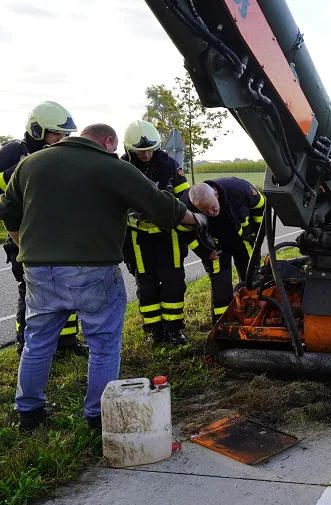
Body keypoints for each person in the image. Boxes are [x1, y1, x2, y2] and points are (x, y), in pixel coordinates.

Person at [0, 123, 205, 432]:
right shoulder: (111, 166)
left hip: (39, 269)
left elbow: (9, 211)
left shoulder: (31, 163)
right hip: (93, 269)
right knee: (104, 344)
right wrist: (197, 219)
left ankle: (29, 413)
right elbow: (161, 205)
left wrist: (24, 246)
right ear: (109, 142)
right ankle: (97, 415)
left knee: (37, 343)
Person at [0, 102, 86, 356]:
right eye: (55, 133)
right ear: (37, 130)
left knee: (66, 288)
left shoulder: (62, 154)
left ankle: (67, 343)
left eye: (64, 135)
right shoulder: (15, 151)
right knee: (31, 292)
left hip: (59, 235)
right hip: (25, 236)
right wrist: (27, 168)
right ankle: (25, 343)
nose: (60, 139)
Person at [120, 120, 193, 346]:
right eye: (141, 152)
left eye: (151, 149)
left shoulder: (169, 165)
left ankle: (174, 330)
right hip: (137, 238)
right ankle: (154, 332)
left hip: (167, 234)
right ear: (129, 150)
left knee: (173, 283)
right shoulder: (122, 169)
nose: (147, 155)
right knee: (147, 286)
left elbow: (184, 197)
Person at [181, 177, 265, 323]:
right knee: (220, 282)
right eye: (204, 211)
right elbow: (184, 233)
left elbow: (260, 205)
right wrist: (206, 252)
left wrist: (257, 235)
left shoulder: (239, 189)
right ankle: (223, 322)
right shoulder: (184, 205)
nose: (211, 212)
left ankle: (253, 314)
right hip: (215, 247)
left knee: (252, 274)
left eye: (212, 207)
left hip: (242, 239)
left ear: (216, 194)